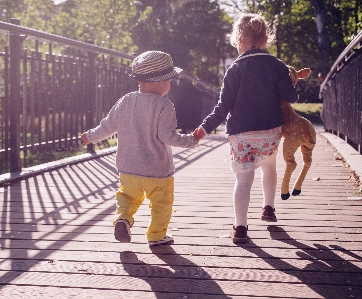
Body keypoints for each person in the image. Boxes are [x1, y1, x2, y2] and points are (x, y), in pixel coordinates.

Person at [193, 13, 299, 243]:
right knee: (269, 165)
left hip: (243, 135)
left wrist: (205, 128)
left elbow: (223, 106)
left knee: (243, 179)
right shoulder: (277, 65)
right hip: (270, 132)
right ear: (265, 38)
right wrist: (292, 83)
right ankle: (268, 208)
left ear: (240, 39)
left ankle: (240, 228)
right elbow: (290, 96)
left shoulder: (235, 69)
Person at [81, 51, 197, 246]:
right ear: (160, 82)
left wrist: (89, 137)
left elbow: (107, 127)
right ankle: (156, 235)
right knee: (161, 204)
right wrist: (191, 140)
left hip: (128, 168)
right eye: (169, 80)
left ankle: (123, 219)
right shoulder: (164, 105)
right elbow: (168, 137)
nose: (170, 84)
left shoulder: (125, 101)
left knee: (126, 197)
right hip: (158, 171)